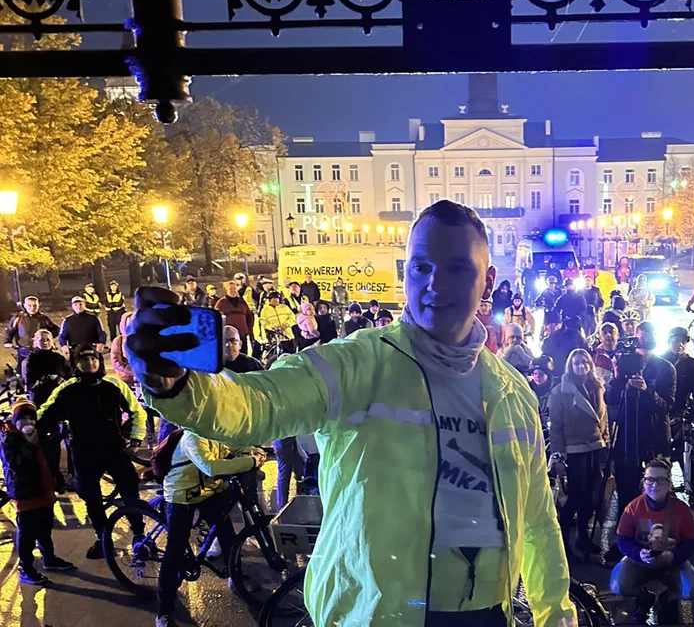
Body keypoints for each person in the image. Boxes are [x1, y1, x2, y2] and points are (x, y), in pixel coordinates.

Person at [126, 199, 575, 626]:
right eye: (421, 267)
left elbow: (537, 522)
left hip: (486, 616)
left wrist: (556, 614)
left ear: (488, 281)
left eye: (457, 268)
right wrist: (177, 385)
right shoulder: (357, 363)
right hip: (378, 617)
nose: (434, 284)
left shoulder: (512, 392)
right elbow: (259, 403)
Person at [36, 345, 146, 559]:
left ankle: (140, 536)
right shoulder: (67, 389)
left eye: (93, 358)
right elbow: (45, 414)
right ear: (76, 363)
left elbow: (137, 412)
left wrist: (135, 442)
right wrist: (25, 422)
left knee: (130, 492)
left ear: (99, 360)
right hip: (84, 453)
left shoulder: (114, 385)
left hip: (115, 449)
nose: (90, 363)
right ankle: (103, 540)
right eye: (84, 359)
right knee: (92, 499)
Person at [157, 430, 265, 627]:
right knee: (175, 552)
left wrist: (256, 452)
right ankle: (163, 612)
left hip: (208, 490)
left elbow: (236, 446)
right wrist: (251, 462)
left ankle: (235, 577)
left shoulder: (215, 431)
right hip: (182, 494)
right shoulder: (192, 436)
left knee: (228, 536)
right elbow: (210, 467)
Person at [610, 459, 694, 623]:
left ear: (669, 484)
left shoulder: (681, 509)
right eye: (649, 479)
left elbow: (692, 541)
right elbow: (622, 539)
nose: (654, 485)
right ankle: (644, 597)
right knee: (618, 584)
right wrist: (638, 554)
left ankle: (668, 599)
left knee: (692, 588)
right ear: (643, 483)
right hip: (640, 562)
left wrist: (674, 556)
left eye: (661, 480)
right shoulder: (633, 508)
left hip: (673, 563)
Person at [0, 398, 76, 585]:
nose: (28, 423)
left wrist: (58, 481)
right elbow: (16, 464)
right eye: (23, 419)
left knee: (44, 527)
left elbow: (48, 460)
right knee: (27, 533)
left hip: (44, 490)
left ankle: (49, 558)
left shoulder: (38, 434)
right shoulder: (10, 438)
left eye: (31, 419)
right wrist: (30, 444)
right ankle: (26, 568)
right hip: (26, 493)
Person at [605, 322, 676, 510]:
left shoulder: (666, 368)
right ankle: (626, 526)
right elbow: (610, 399)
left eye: (649, 336)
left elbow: (667, 405)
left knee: (655, 497)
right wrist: (618, 379)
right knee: (626, 496)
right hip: (627, 439)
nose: (646, 340)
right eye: (642, 337)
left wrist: (647, 391)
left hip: (653, 439)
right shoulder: (625, 364)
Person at [548, 349, 609, 556]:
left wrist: (606, 441)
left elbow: (603, 417)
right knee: (575, 495)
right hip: (574, 449)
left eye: (585, 361)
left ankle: (583, 537)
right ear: (570, 366)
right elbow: (556, 427)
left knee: (591, 497)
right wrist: (558, 456)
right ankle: (563, 542)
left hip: (595, 446)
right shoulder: (560, 392)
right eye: (577, 362)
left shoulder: (597, 387)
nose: (581, 365)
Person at [662, 326, 694, 457]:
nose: (680, 345)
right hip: (663, 410)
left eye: (683, 342)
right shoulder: (660, 362)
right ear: (669, 341)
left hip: (681, 411)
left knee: (686, 452)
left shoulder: (692, 364)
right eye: (677, 341)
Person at [5, 296, 59, 372]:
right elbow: (10, 330)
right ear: (24, 305)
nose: (32, 308)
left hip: (40, 349)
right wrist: (7, 341)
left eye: (35, 305)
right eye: (29, 305)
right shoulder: (18, 318)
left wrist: (46, 338)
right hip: (23, 349)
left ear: (38, 305)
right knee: (23, 369)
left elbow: (56, 330)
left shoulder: (43, 318)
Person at [215, 280, 256, 358]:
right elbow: (216, 318)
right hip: (229, 337)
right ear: (226, 290)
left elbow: (249, 317)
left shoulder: (242, 302)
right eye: (230, 289)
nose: (233, 290)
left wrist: (249, 330)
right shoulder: (221, 303)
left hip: (242, 335)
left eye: (234, 288)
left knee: (243, 356)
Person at [541, 314, 588, 379]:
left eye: (548, 325)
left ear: (557, 324)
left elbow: (585, 352)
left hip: (577, 375)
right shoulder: (547, 342)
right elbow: (546, 360)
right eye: (545, 326)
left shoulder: (574, 335)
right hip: (557, 378)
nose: (546, 329)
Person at [110, 313, 136, 389]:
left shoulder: (142, 339)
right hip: (125, 378)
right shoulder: (118, 340)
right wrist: (132, 371)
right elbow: (116, 361)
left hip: (142, 378)